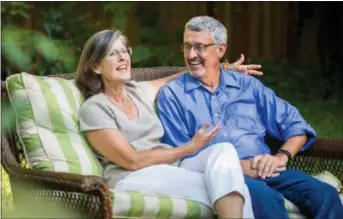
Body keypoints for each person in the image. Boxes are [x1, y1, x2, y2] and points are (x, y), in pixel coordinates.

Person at [157, 15, 343, 219]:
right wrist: (237, 167)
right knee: (265, 198)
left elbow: (297, 127)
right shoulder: (173, 95)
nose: (191, 54)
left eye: (200, 47)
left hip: (266, 170)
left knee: (326, 194)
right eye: (187, 46)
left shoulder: (247, 86)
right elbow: (180, 156)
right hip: (222, 178)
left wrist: (280, 157)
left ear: (220, 50)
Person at [75, 29, 263, 218]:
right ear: (96, 67)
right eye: (113, 53)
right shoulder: (94, 108)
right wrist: (189, 148)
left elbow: (176, 78)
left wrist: (222, 68)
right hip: (133, 177)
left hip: (171, 168)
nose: (122, 57)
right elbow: (133, 161)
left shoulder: (137, 91)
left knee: (224, 150)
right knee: (224, 185)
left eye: (124, 51)